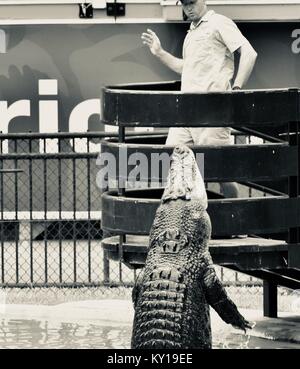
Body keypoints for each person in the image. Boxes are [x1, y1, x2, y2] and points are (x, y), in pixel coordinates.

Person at [141, 0, 257, 199]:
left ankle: (236, 220)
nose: (188, 8)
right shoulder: (191, 32)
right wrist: (160, 52)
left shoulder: (219, 22)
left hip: (212, 115)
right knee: (173, 163)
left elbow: (249, 53)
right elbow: (184, 68)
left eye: (192, 2)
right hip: (186, 114)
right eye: (185, 4)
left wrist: (237, 89)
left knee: (220, 174)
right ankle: (188, 223)